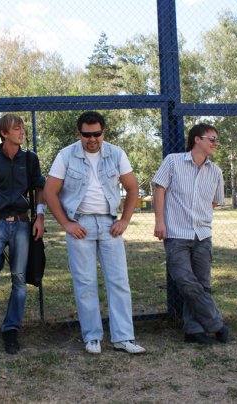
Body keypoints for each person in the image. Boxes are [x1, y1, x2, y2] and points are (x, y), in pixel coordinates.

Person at [44, 111, 145, 355]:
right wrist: (66, 224)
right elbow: (49, 191)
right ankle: (92, 337)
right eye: (86, 135)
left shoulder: (116, 154)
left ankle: (123, 337)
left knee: (119, 281)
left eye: (97, 134)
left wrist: (125, 220)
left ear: (104, 132)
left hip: (110, 224)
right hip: (80, 225)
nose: (92, 139)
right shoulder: (65, 155)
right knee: (85, 282)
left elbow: (132, 188)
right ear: (79, 134)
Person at [152, 123, 229, 346]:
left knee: (202, 284)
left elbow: (215, 201)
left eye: (216, 140)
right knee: (185, 281)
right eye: (212, 139)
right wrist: (160, 221)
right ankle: (216, 324)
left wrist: (199, 215)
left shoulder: (216, 171)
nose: (216, 143)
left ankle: (193, 330)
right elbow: (159, 189)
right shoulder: (173, 161)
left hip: (203, 235)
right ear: (197, 139)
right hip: (176, 234)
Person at [0, 113, 45, 354]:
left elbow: (40, 187)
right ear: (4, 133)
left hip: (22, 224)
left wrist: (40, 217)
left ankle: (11, 330)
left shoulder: (30, 158)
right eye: (17, 128)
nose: (22, 131)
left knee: (19, 280)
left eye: (23, 127)